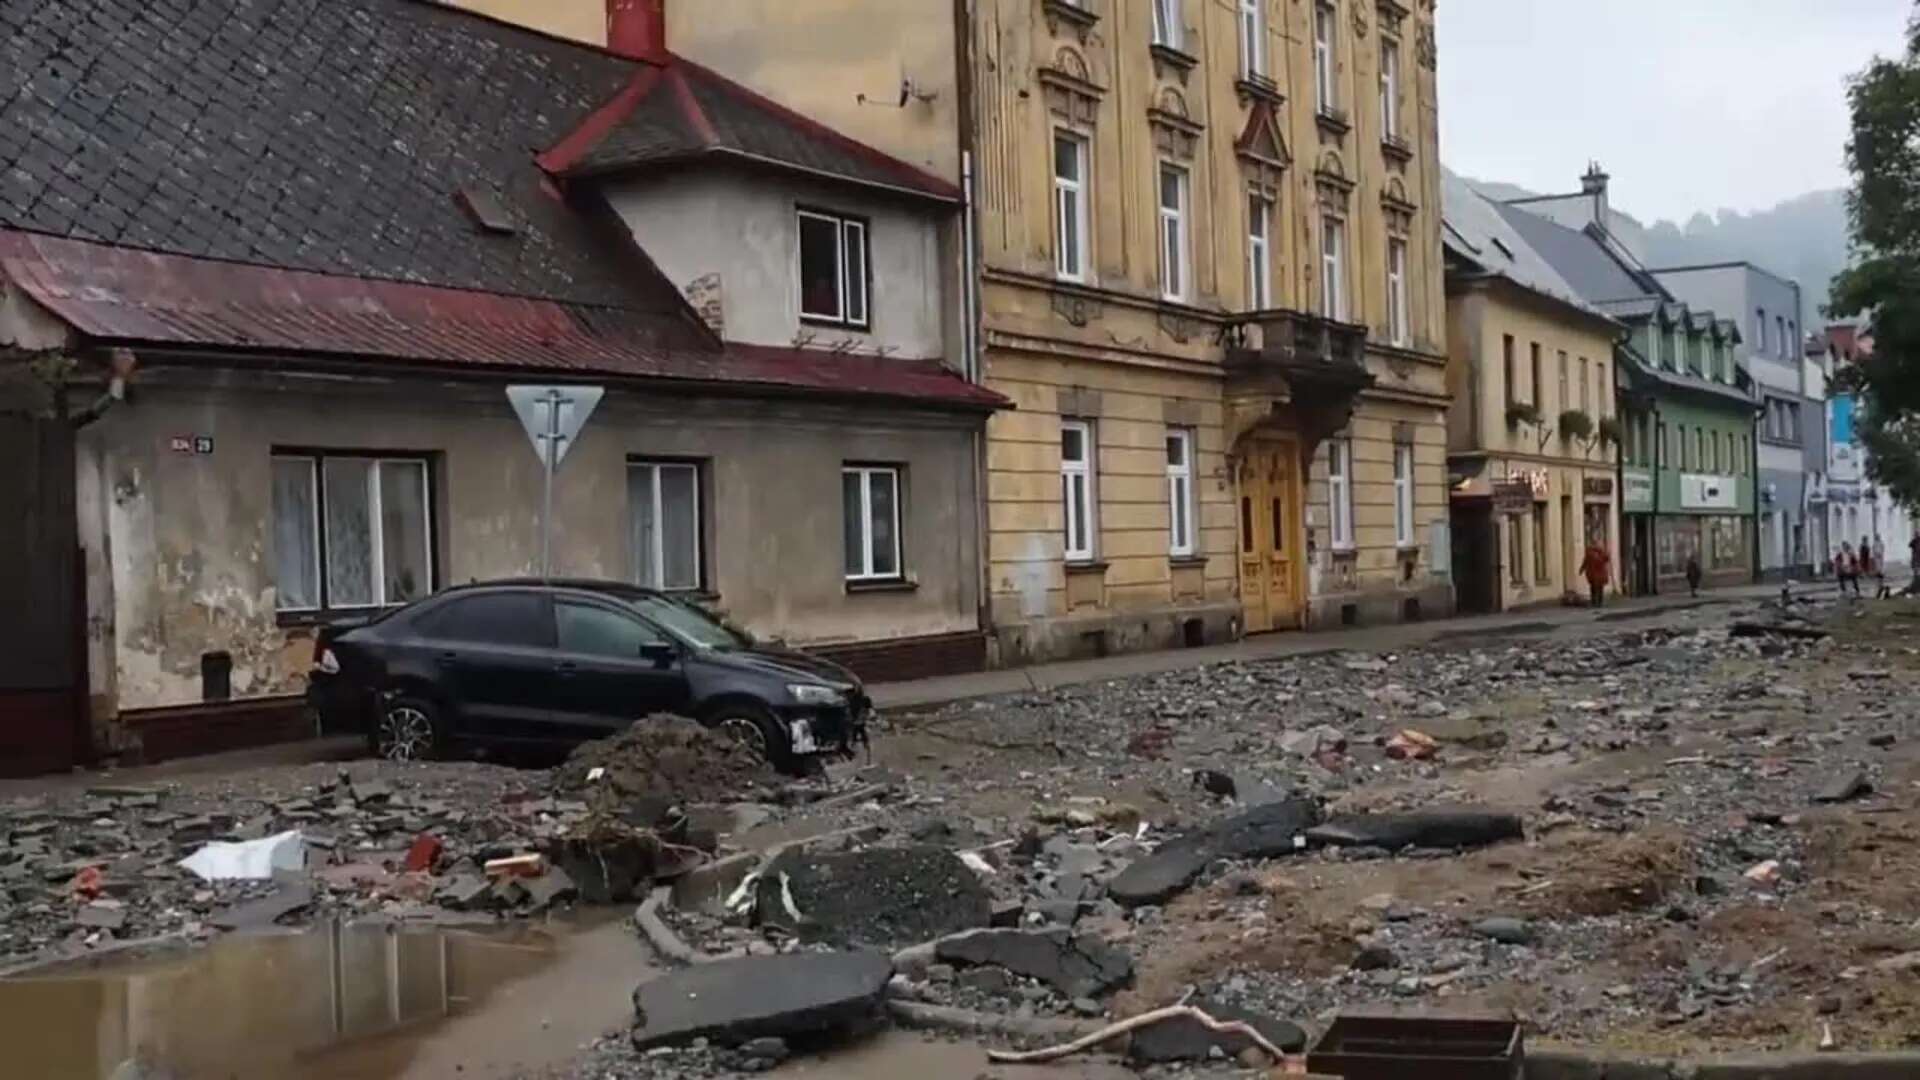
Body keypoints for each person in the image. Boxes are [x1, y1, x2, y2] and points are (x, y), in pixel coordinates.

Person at [1579, 542, 1611, 608]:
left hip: (1593, 574)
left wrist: (1581, 570)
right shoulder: (1602, 552)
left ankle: (1595, 602)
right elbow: (1606, 559)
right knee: (1599, 588)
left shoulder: (1590, 553)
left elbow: (1585, 562)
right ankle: (1599, 603)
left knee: (1594, 589)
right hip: (1600, 574)